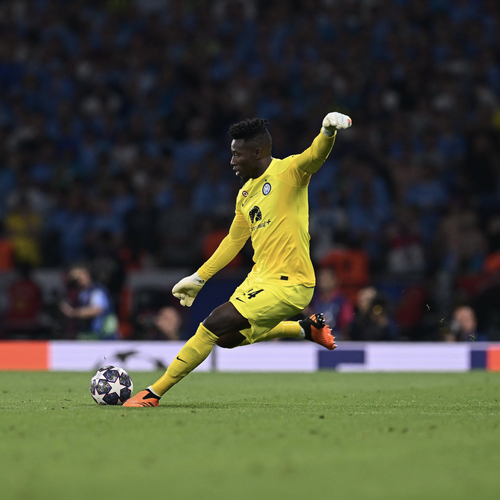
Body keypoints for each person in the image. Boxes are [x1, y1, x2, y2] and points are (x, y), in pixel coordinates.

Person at [125, 111, 352, 407]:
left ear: (257, 152)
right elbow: (233, 240)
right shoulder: (245, 193)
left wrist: (327, 132)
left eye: (237, 154)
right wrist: (199, 278)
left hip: (291, 283)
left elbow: (315, 155)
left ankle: (153, 393)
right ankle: (304, 328)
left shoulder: (289, 172)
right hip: (259, 278)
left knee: (212, 324)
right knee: (226, 338)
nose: (232, 161)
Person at [59, 264, 120, 340]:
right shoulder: (79, 292)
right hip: (87, 335)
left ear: (86, 274)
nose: (78, 278)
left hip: (104, 336)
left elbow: (97, 309)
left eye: (80, 275)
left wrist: (74, 313)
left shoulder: (97, 290)